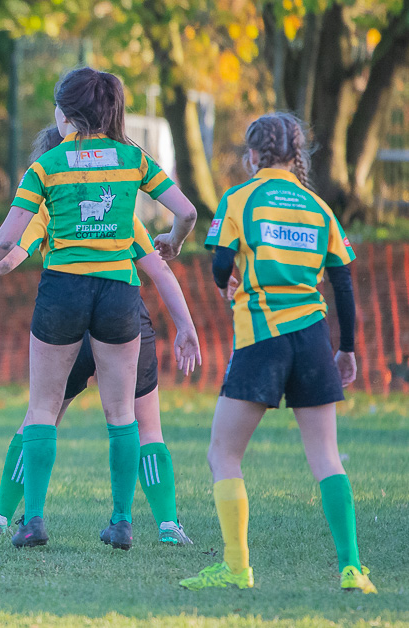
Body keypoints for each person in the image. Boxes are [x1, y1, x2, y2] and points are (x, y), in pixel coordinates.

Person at [0, 67, 198, 547]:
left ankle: (31, 520)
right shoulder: (134, 158)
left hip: (63, 290)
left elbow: (4, 245)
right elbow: (186, 213)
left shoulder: (47, 166)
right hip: (118, 294)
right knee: (122, 414)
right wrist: (175, 240)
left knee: (41, 409)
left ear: (65, 114)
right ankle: (123, 522)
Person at [180, 112, 377, 593]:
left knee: (223, 453)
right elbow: (343, 282)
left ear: (252, 156)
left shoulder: (240, 198)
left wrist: (226, 280)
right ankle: (352, 569)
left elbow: (222, 260)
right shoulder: (317, 207)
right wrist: (346, 347)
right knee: (327, 457)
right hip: (312, 339)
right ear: (298, 155)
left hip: (261, 339)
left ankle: (236, 568)